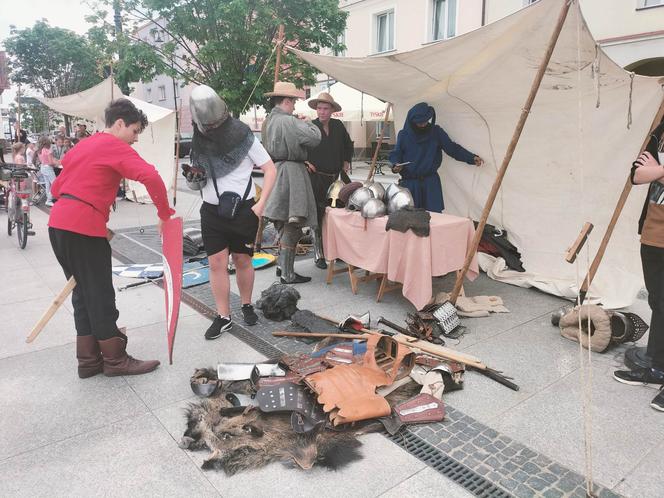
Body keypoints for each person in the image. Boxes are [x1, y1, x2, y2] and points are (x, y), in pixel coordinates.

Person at [48, 98, 174, 378]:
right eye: (135, 131)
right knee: (100, 294)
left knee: (82, 292)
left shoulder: (82, 145)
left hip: (58, 224)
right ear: (119, 124)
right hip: (82, 227)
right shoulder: (113, 145)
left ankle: (89, 361)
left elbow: (58, 186)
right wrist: (164, 214)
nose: (136, 139)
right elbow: (151, 177)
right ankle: (116, 361)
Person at [188, 85, 276, 340]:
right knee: (216, 263)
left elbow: (270, 169)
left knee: (242, 260)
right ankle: (223, 316)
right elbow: (200, 171)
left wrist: (261, 206)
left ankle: (246, 304)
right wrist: (195, 176)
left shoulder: (241, 134)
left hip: (243, 210)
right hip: (211, 211)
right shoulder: (198, 136)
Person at [614, 119, 664, 412]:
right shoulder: (661, 131)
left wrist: (656, 171)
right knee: (659, 301)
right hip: (655, 229)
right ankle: (657, 368)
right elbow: (636, 174)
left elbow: (649, 171)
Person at [262, 81, 321, 284]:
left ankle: (282, 267)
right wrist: (308, 122)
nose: (295, 106)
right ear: (286, 101)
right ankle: (287, 273)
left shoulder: (268, 121)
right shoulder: (288, 121)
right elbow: (315, 139)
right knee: (292, 226)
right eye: (293, 102)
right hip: (291, 174)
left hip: (276, 171)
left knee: (282, 223)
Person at [389, 102, 483, 212]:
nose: (423, 125)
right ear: (412, 122)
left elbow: (452, 148)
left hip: (430, 184)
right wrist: (395, 165)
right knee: (410, 219)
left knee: (434, 219)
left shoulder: (436, 132)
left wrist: (471, 158)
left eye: (425, 121)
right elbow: (396, 154)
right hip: (411, 185)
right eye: (419, 123)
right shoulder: (404, 135)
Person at [305, 92, 353, 269]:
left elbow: (348, 145)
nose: (322, 112)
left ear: (332, 110)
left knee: (336, 216)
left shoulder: (338, 126)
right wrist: (305, 161)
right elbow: (299, 146)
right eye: (319, 108)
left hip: (335, 179)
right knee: (317, 216)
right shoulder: (310, 126)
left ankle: (336, 251)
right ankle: (319, 254)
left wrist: (346, 161)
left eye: (325, 108)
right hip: (316, 179)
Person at [36, 136, 56, 206]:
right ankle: (50, 198)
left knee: (48, 184)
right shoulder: (48, 151)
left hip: (43, 167)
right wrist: (56, 163)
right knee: (54, 183)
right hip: (48, 168)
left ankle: (49, 199)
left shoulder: (39, 151)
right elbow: (51, 162)